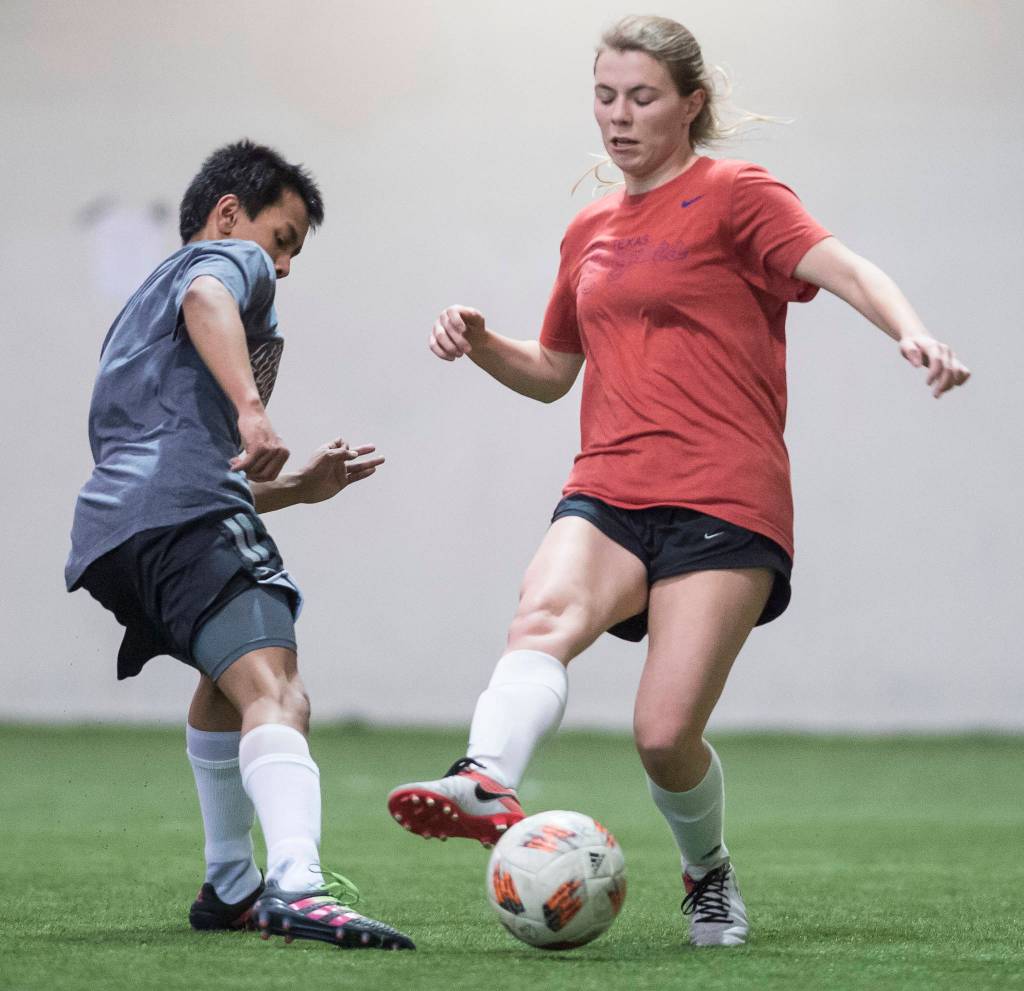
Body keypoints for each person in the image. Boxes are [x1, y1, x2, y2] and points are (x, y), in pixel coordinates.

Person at [387, 15, 970, 948]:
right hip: (610, 486)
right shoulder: (590, 229)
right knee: (540, 617)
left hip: (725, 498)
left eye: (643, 97)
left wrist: (910, 329)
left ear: (690, 105)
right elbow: (552, 372)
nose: (619, 117)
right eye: (606, 96)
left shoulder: (738, 195)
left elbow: (847, 268)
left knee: (663, 734)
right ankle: (484, 773)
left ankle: (707, 873)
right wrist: (482, 338)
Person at [67, 140, 414, 951]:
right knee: (279, 687)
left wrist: (295, 490)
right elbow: (207, 289)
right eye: (282, 238)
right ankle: (298, 883)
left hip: (120, 533)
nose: (284, 265)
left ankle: (230, 884)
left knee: (228, 683)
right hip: (182, 519)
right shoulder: (224, 265)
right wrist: (253, 409)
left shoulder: (134, 316)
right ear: (229, 215)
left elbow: (191, 460)